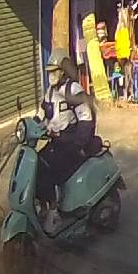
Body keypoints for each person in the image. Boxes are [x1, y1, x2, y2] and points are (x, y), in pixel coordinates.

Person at [36, 49, 97, 206]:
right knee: (37, 164)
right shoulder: (50, 91)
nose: (51, 75)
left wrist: (78, 144)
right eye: (49, 72)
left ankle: (55, 207)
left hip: (70, 142)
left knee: (52, 170)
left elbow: (86, 119)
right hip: (55, 141)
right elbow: (42, 113)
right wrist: (31, 125)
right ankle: (44, 203)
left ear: (63, 71)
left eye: (54, 71)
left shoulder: (73, 89)